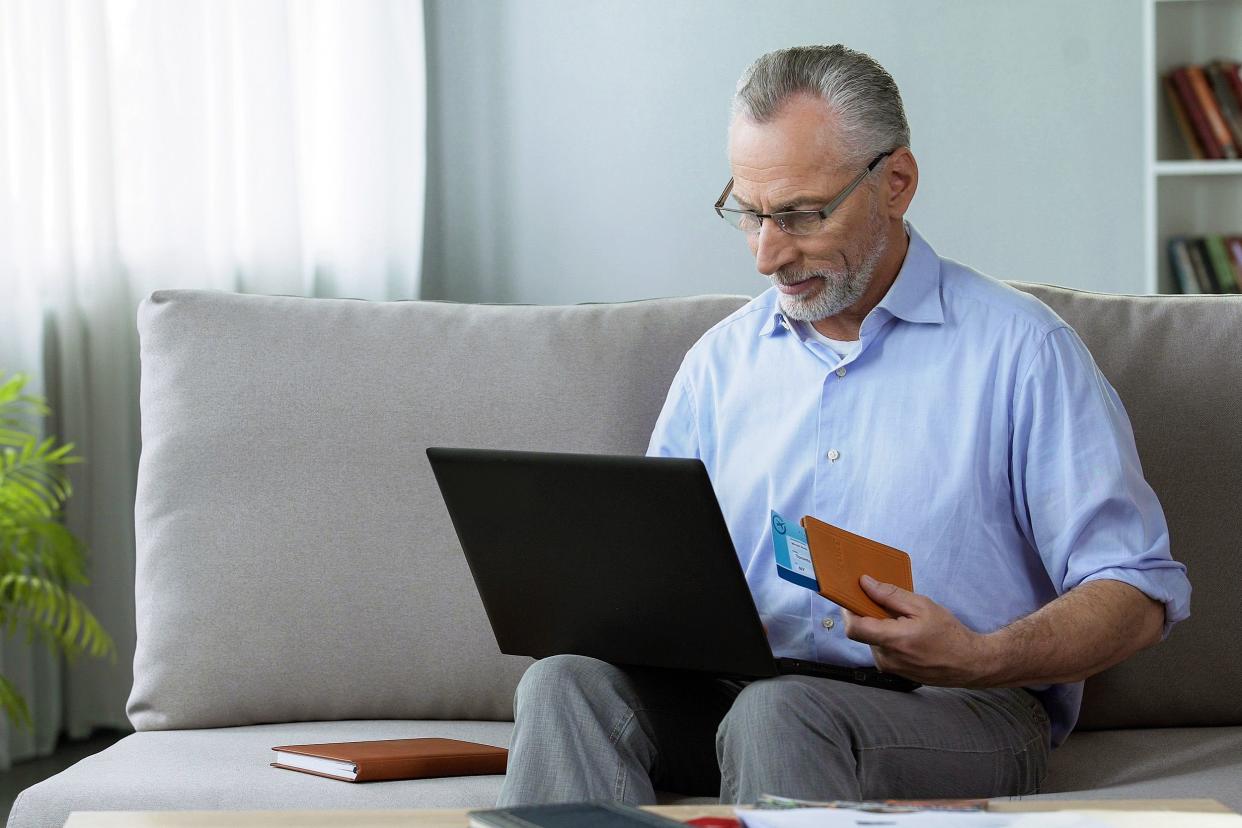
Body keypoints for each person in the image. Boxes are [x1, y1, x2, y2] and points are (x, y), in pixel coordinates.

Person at [496, 44, 1191, 806]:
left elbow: (1135, 590)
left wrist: (979, 654)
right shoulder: (718, 364)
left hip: (960, 708)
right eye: (750, 213)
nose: (767, 254)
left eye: (800, 214)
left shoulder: (1024, 352)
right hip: (742, 693)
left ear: (895, 183)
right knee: (564, 685)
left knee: (780, 715)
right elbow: (653, 568)